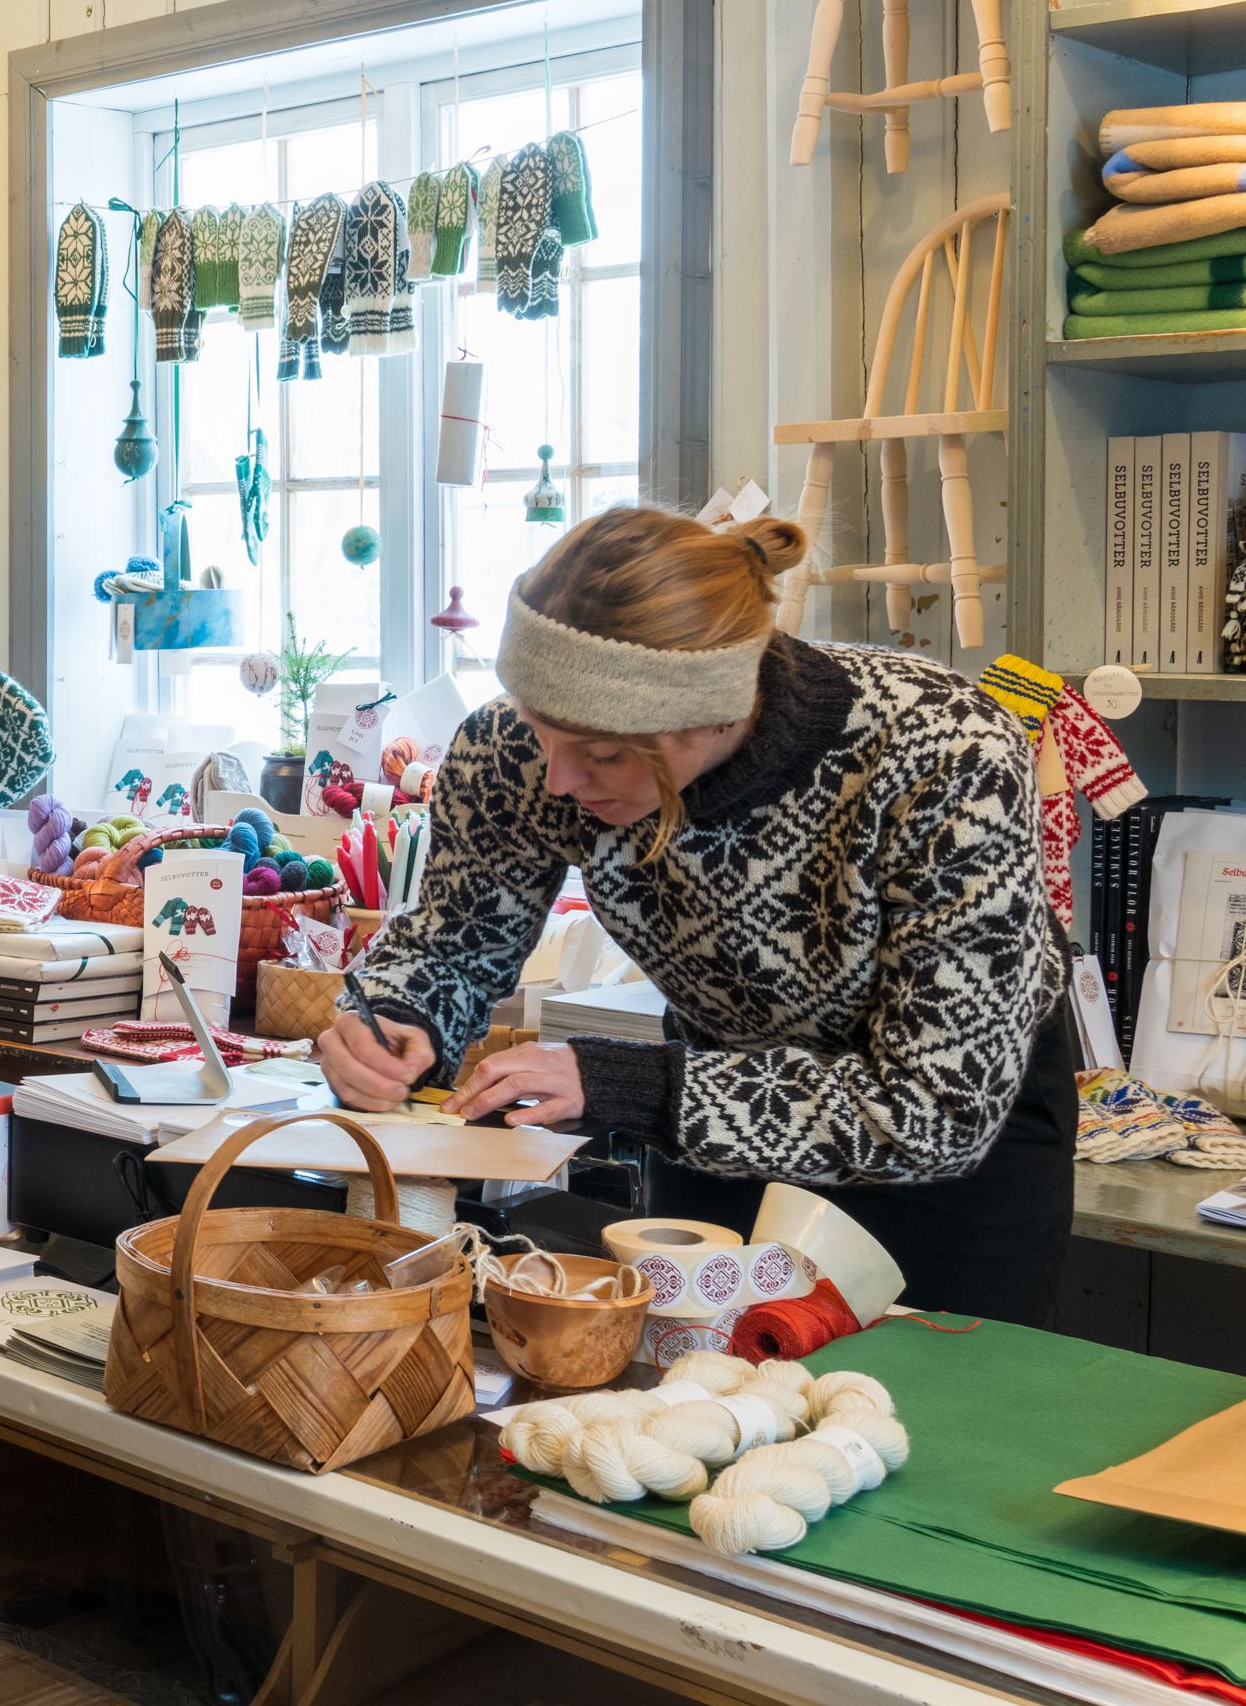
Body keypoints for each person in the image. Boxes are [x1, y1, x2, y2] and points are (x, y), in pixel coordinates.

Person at [324, 509, 1070, 1322]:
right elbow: (453, 943)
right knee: (693, 1390)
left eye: (605, 754)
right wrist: (398, 1016)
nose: (557, 781)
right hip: (713, 1104)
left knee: (919, 1417)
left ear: (719, 710)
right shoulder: (514, 752)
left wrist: (626, 1084)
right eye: (542, 733)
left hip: (937, 1150)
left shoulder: (946, 752)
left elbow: (935, 1111)